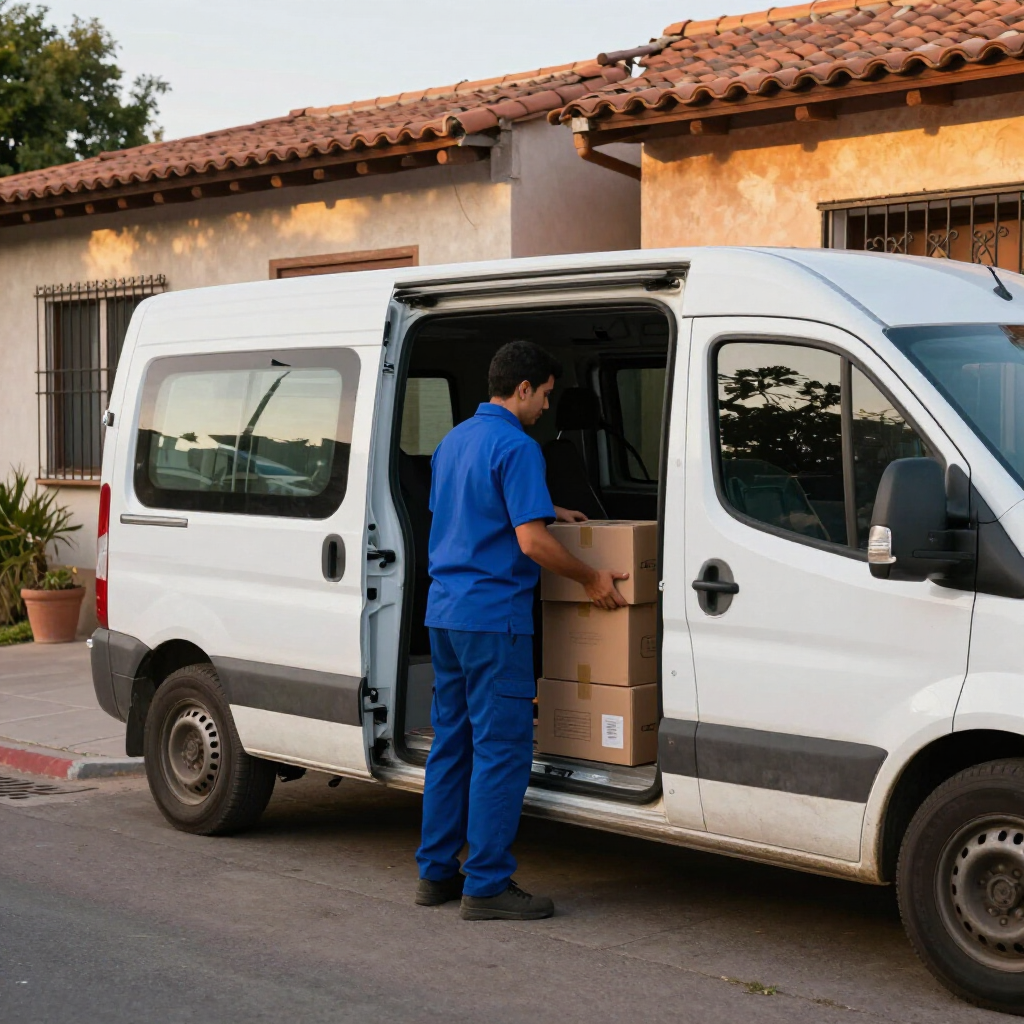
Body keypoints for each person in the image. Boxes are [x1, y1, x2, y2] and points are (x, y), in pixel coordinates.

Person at [414, 340, 628, 921]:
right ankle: (485, 885)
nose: (546, 409)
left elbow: (471, 510)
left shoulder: (452, 442)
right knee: (501, 750)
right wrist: (590, 578)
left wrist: (545, 508)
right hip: (494, 621)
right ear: (524, 389)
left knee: (451, 743)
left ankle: (435, 874)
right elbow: (528, 543)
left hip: (446, 613)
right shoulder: (519, 446)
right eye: (545, 396)